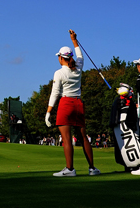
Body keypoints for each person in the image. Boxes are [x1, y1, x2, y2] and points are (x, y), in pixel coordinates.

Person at [45, 29, 100, 177]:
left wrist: (49, 111)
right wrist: (74, 40)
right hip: (78, 104)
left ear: (61, 58)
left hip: (66, 104)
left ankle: (70, 169)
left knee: (67, 139)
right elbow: (80, 56)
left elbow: (55, 93)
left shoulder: (59, 73)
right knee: (83, 137)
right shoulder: (78, 68)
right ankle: (92, 168)